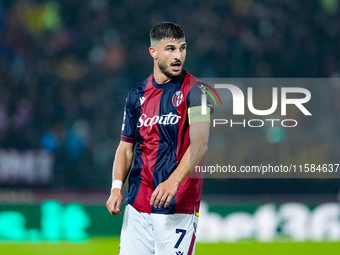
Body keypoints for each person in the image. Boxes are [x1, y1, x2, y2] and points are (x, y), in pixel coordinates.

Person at [106, 21, 213, 255]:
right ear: (153, 52)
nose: (178, 56)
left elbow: (200, 143)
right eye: (171, 49)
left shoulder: (198, 92)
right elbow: (126, 147)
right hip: (137, 205)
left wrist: (172, 182)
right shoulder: (136, 95)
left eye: (182, 48)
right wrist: (116, 188)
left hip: (177, 207)